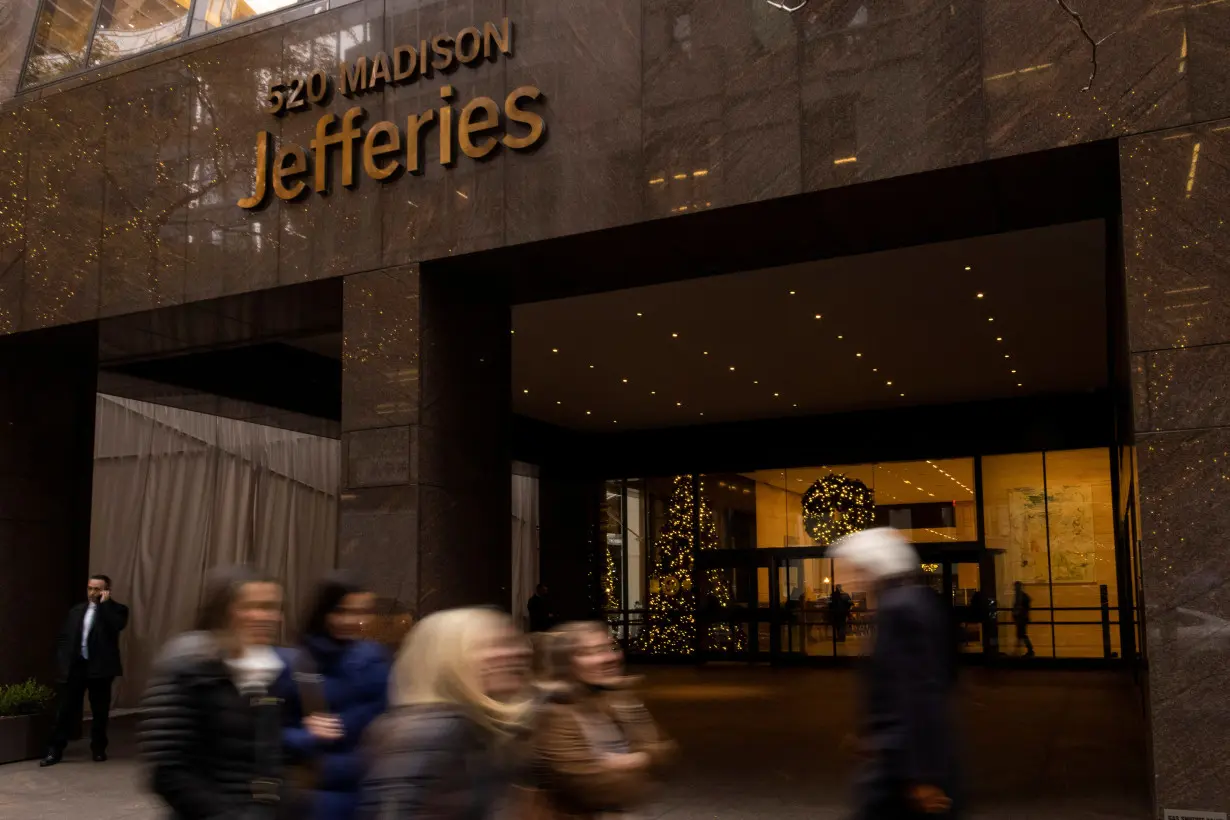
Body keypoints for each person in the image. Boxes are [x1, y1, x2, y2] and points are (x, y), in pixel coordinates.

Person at [356, 607, 534, 820]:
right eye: (492, 646)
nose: (516, 653)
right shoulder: (422, 735)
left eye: (510, 643)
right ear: (449, 660)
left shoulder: (477, 726)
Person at [830, 528, 959, 819]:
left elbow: (919, 690)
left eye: (853, 568)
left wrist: (925, 774)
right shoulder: (915, 601)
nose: (848, 577)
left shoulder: (899, 609)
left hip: (899, 764)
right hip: (897, 757)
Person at [139, 566, 286, 820]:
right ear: (224, 611)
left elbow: (266, 759)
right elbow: (168, 770)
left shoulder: (265, 668)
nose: (268, 617)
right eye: (256, 606)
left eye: (274, 607)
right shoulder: (188, 665)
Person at [274, 572, 390, 820]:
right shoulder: (295, 663)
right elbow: (269, 733)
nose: (355, 621)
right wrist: (308, 736)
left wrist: (348, 724)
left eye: (363, 612)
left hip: (370, 791)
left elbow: (385, 713)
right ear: (324, 611)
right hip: (315, 794)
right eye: (344, 611)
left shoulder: (375, 659)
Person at [534, 621, 674, 820]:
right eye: (590, 652)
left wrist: (635, 760)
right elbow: (591, 785)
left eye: (611, 648)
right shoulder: (555, 711)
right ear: (566, 662)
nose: (609, 658)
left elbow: (664, 753)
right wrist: (642, 762)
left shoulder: (620, 698)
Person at [42, 573, 129, 766]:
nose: (92, 592)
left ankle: (98, 749)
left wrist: (105, 604)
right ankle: (54, 751)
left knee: (100, 712)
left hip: (100, 669)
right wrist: (63, 660)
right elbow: (65, 637)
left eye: (97, 589)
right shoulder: (77, 610)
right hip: (76, 667)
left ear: (106, 590)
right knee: (64, 710)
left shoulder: (117, 610)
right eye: (90, 588)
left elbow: (116, 626)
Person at [1012, 581, 1035, 657]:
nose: (1015, 588)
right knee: (1021, 634)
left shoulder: (1020, 596)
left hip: (1021, 618)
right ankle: (1021, 650)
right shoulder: (1021, 595)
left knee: (1021, 634)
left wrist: (1017, 613)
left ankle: (1028, 649)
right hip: (1022, 618)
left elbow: (1019, 606)